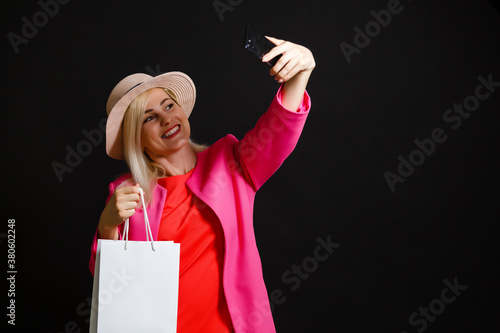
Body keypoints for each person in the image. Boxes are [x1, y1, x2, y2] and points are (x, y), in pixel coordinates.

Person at [89, 36, 315, 332]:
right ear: (136, 138)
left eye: (169, 106)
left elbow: (278, 131)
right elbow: (110, 284)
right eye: (149, 118)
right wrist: (107, 226)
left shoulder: (231, 162)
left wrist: (301, 73)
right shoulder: (127, 194)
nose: (166, 119)